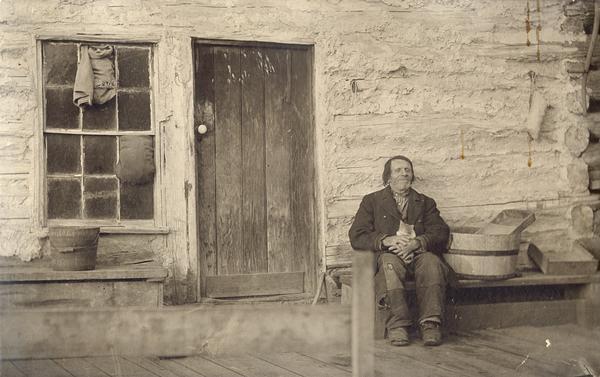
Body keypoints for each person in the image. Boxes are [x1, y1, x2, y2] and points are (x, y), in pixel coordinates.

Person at [348, 155, 450, 346]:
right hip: (388, 256)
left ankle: (430, 324)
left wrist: (418, 243)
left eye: (407, 170)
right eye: (398, 170)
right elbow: (357, 235)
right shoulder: (372, 201)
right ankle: (398, 326)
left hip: (419, 254)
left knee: (432, 263)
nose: (404, 173)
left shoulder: (425, 202)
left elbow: (440, 231)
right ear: (388, 177)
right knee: (389, 265)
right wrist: (385, 240)